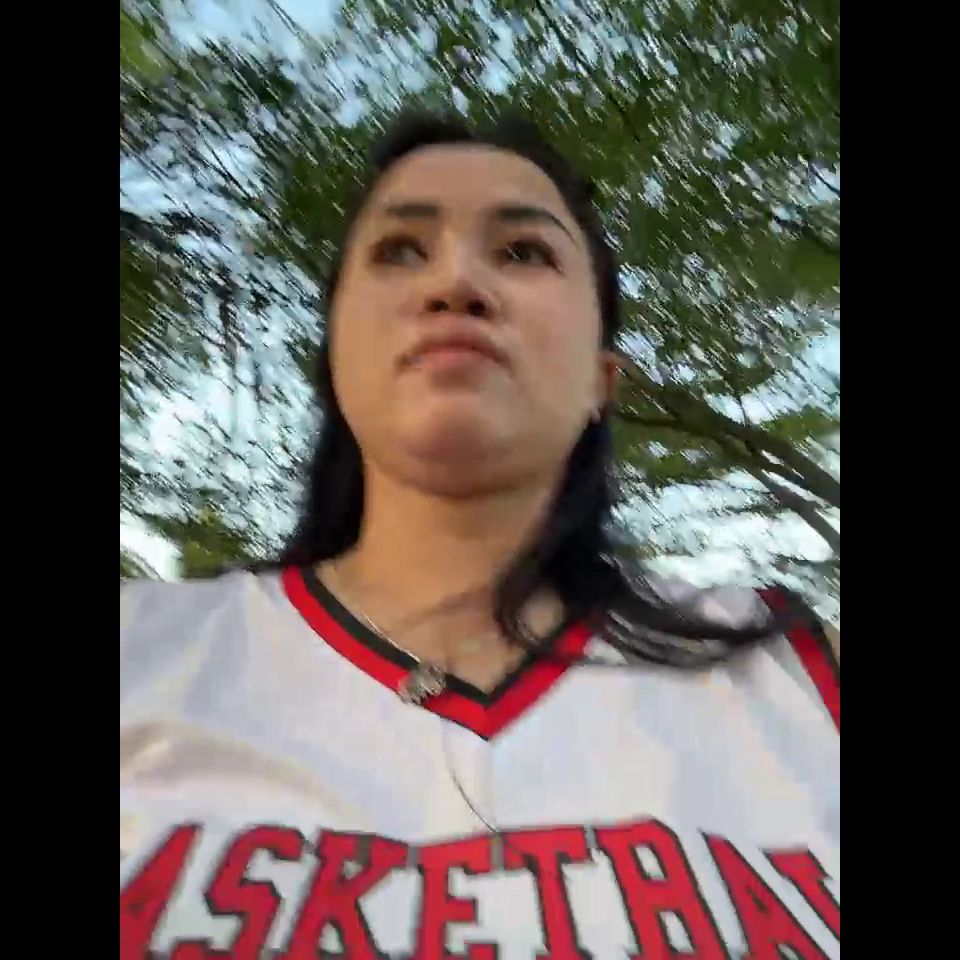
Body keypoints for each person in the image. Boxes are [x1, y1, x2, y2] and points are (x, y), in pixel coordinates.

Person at [120, 112, 839, 959]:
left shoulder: (798, 672)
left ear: (603, 380)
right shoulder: (145, 649)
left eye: (524, 252)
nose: (455, 283)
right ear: (335, 352)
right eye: (399, 250)